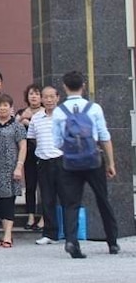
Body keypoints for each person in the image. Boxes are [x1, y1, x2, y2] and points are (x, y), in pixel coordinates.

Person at [52, 71, 118, 258]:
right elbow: (104, 137)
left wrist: (71, 150)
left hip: (70, 162)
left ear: (64, 87)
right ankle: (112, 242)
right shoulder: (94, 108)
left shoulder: (59, 111)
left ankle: (72, 241)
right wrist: (111, 163)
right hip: (93, 160)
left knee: (71, 203)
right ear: (83, 85)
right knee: (102, 199)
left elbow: (57, 142)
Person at [0, 94, 27, 248]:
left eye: (6, 105)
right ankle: (4, 233)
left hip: (11, 168)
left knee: (9, 201)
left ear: (11, 108)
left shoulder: (17, 126)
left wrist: (19, 166)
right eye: (0, 105)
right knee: (0, 201)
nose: (3, 108)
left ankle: (8, 235)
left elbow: (23, 147)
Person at [28, 85, 64, 246]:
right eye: (46, 97)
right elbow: (32, 138)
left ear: (58, 98)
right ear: (41, 99)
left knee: (66, 198)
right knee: (47, 198)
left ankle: (69, 233)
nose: (49, 100)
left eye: (52, 97)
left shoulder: (64, 116)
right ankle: (50, 233)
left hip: (62, 161)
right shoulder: (36, 117)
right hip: (43, 161)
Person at [17, 83, 43, 230]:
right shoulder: (22, 112)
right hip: (27, 153)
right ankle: (31, 216)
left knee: (44, 186)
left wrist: (29, 120)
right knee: (30, 185)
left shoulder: (46, 112)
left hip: (43, 153)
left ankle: (44, 218)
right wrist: (22, 119)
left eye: (37, 94)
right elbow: (13, 126)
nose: (33, 96)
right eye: (31, 93)